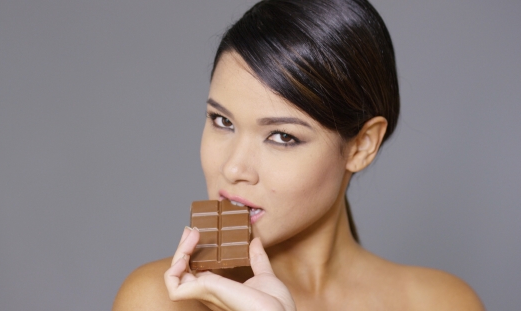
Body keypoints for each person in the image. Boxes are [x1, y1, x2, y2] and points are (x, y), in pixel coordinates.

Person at [112, 0, 484, 310]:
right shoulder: (162, 298)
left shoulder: (442, 302)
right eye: (222, 121)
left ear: (362, 145)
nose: (234, 167)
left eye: (281, 136)